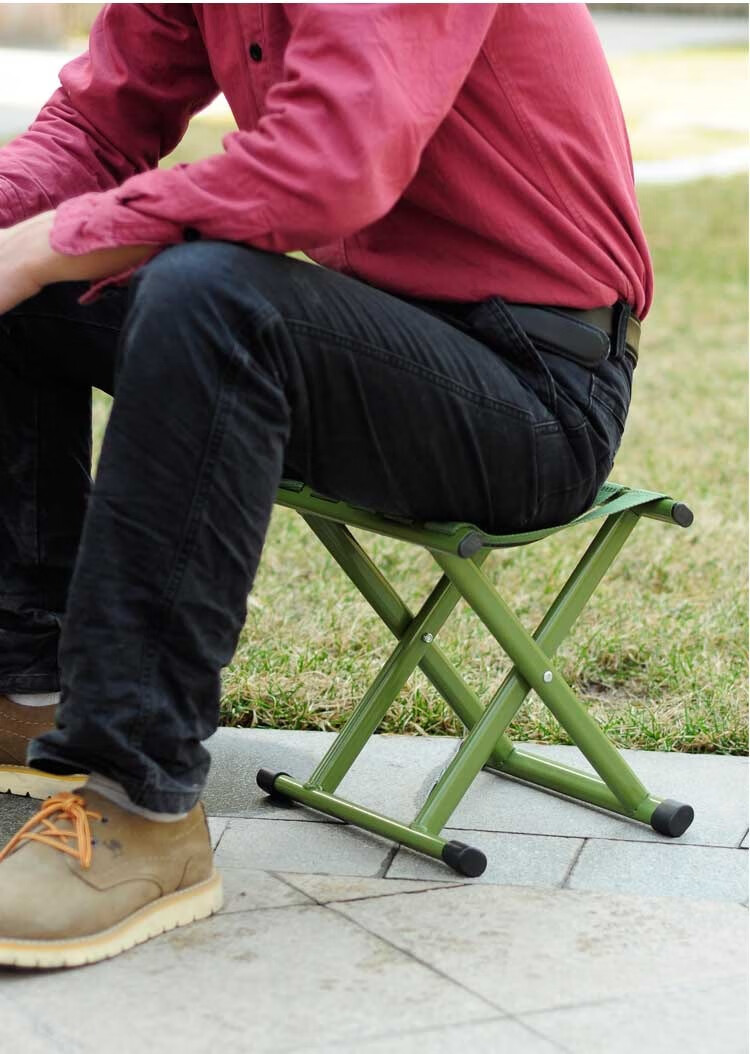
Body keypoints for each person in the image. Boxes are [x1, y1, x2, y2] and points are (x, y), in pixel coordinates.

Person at [0, 3, 650, 968]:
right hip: (367, 341)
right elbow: (96, 129)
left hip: (536, 390)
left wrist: (42, 240)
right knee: (33, 274)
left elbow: (325, 166)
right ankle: (27, 688)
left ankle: (137, 801)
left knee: (201, 289)